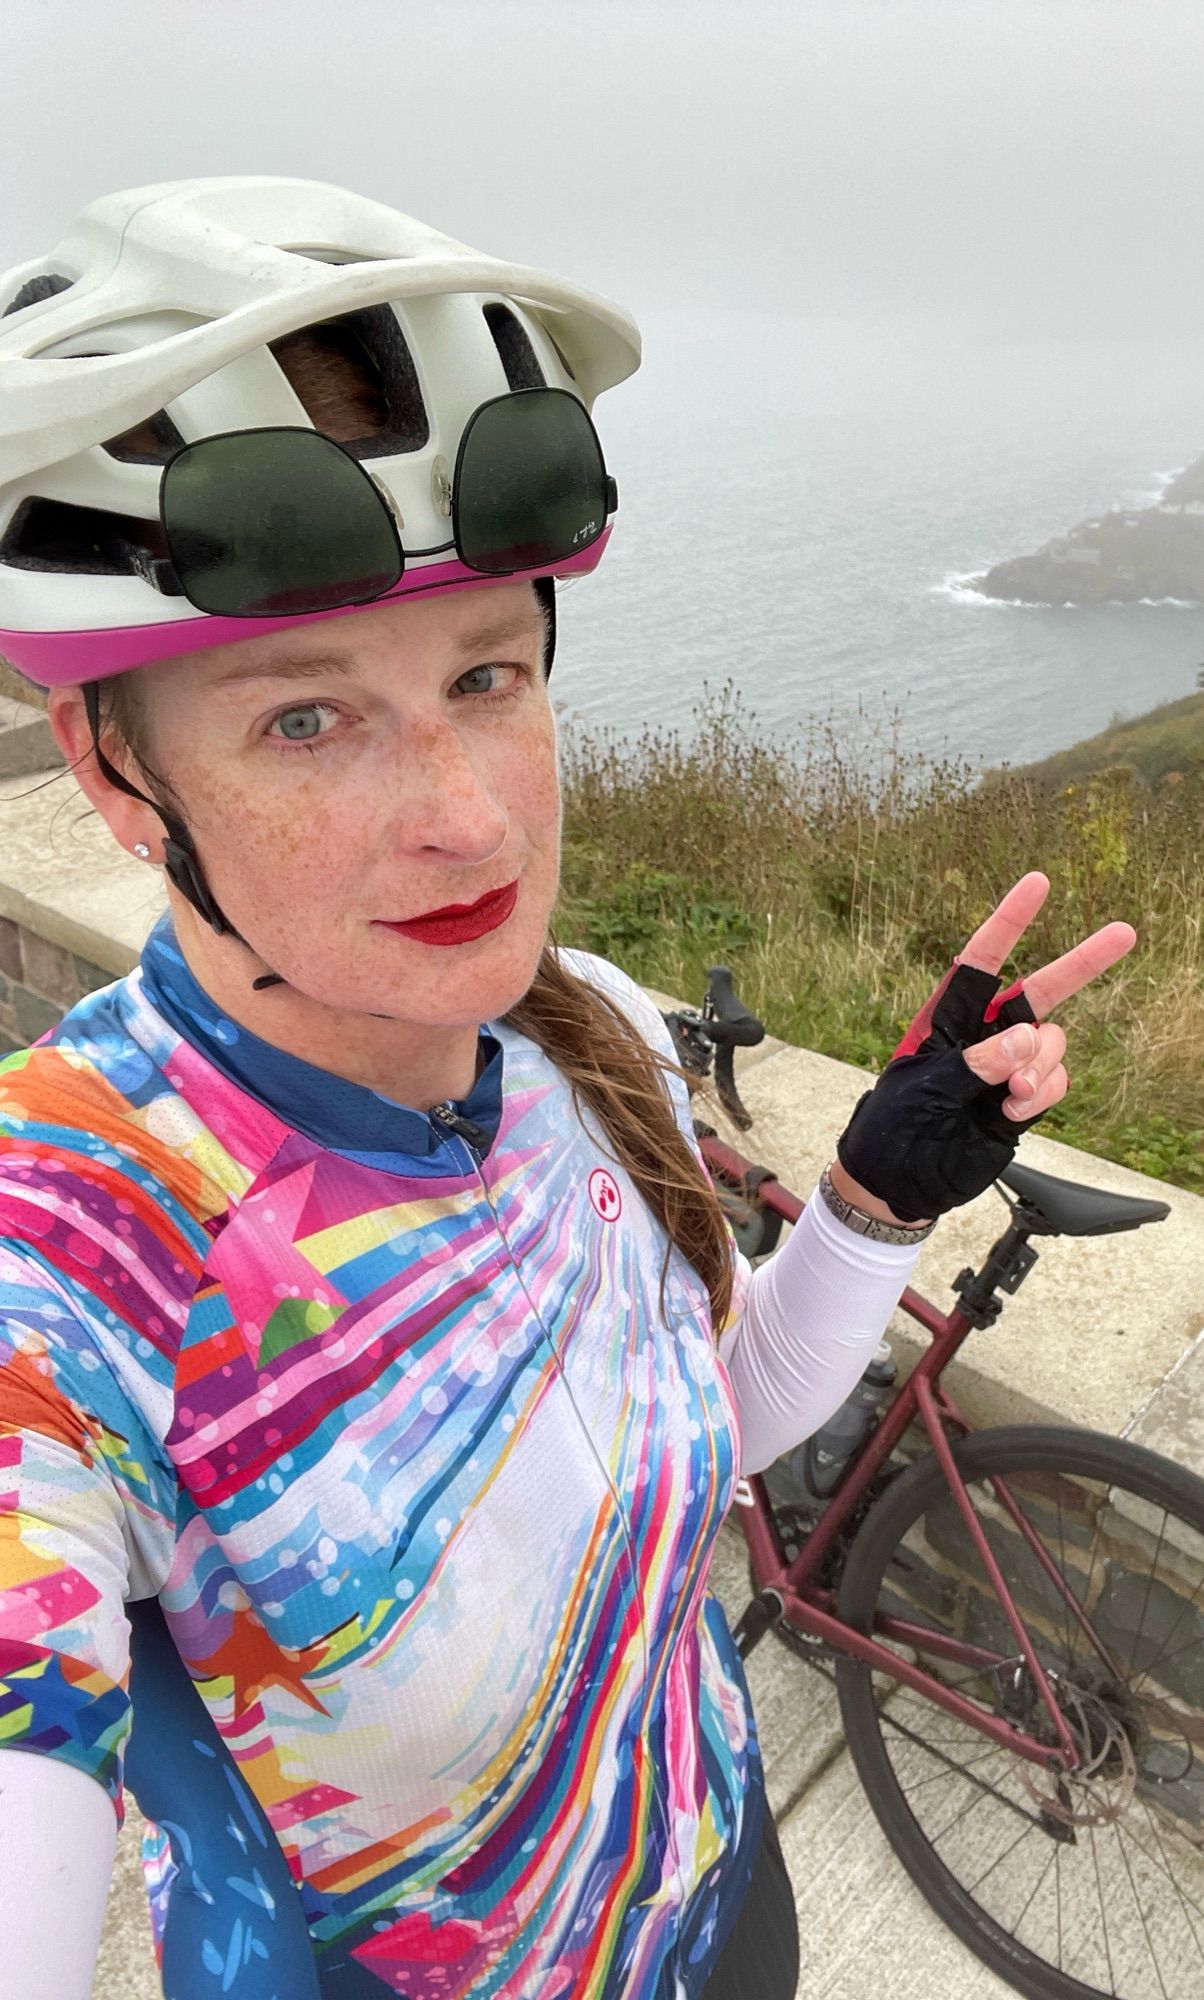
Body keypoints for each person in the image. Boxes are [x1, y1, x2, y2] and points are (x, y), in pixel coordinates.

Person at [0, 178, 1133, 2000]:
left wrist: (865, 1205)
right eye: (306, 717)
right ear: (116, 772)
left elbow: (709, 1434)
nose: (465, 817)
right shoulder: (70, 1255)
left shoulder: (578, 1025)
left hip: (716, 1885)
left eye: (488, 677)